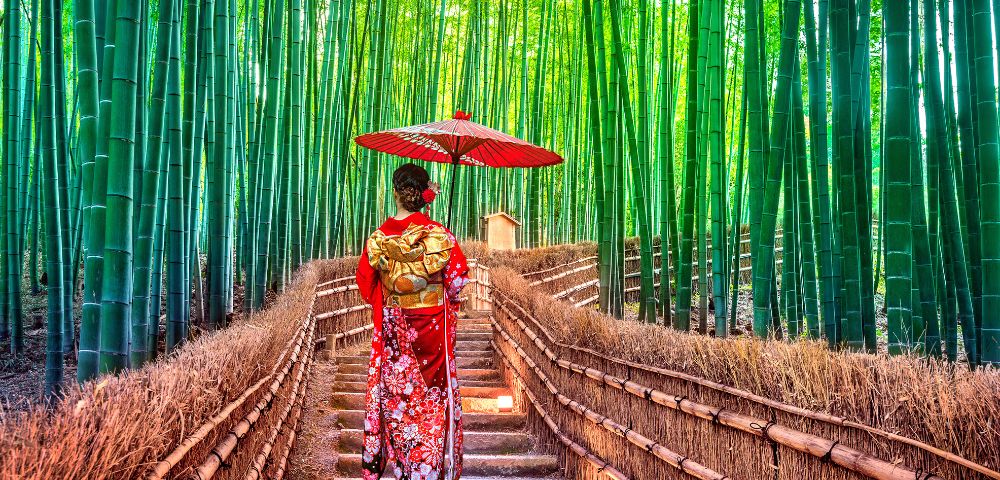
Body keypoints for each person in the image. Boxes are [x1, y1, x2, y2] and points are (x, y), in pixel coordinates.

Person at [355, 163, 469, 480]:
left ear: (396, 193)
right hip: (432, 333)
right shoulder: (440, 236)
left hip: (394, 332)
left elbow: (366, 286)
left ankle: (405, 467)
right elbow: (457, 284)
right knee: (431, 401)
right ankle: (428, 470)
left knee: (397, 398)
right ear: (425, 195)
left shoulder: (379, 237)